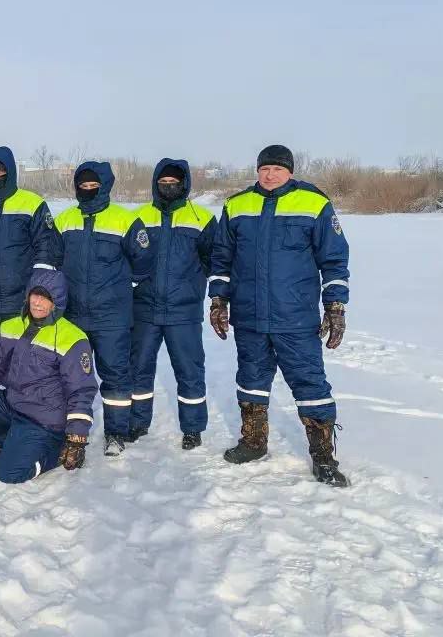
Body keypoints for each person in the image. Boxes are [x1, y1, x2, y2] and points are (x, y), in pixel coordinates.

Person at [210, 144, 351, 487]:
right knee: (251, 380)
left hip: (296, 317)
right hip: (250, 316)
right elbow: (221, 259)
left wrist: (335, 305)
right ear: (257, 171)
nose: (270, 174)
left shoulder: (313, 203)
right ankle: (254, 443)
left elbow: (333, 260)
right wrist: (218, 300)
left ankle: (323, 457)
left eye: (277, 168)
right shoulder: (237, 205)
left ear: (289, 171)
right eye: (264, 168)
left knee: (310, 385)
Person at [0, 268, 96, 484]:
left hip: (45, 421)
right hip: (14, 406)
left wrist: (76, 438)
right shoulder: (11, 326)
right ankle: (13, 444)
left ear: (57, 301)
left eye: (46, 297)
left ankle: (54, 450)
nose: (37, 302)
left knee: (8, 473)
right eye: (34, 295)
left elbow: (81, 391)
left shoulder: (73, 338)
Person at [53, 161, 153, 457]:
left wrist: (124, 287)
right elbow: (55, 259)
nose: (87, 189)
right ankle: (67, 430)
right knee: (70, 376)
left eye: (93, 185)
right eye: (82, 185)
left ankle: (116, 433)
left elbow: (144, 260)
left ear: (105, 185)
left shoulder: (125, 220)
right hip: (72, 315)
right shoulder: (65, 220)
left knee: (116, 375)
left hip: (112, 317)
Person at [131, 159, 216, 449]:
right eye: (163, 182)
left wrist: (194, 286)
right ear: (155, 183)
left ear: (185, 183)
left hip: (184, 311)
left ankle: (192, 427)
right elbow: (130, 257)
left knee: (189, 370)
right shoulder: (139, 216)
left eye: (174, 182)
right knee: (138, 367)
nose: (168, 186)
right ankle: (137, 421)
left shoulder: (201, 218)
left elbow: (212, 259)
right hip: (143, 309)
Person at [0, 146, 60, 374]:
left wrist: (38, 291)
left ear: (10, 172)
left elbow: (47, 248)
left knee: (25, 357)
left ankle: (24, 405)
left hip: (21, 300)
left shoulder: (32, 203)